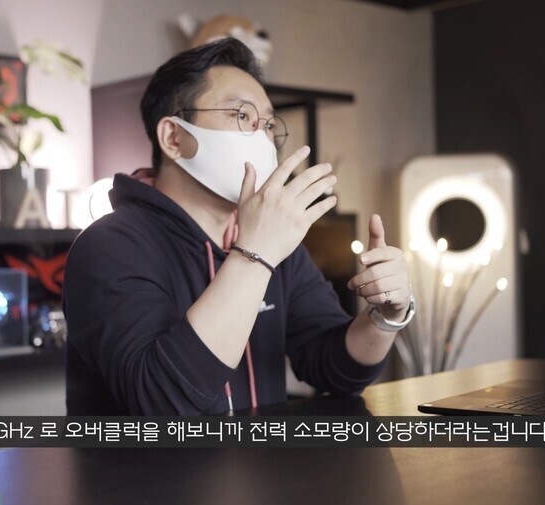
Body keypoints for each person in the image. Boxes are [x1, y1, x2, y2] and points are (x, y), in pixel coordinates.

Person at [63, 38, 415, 415]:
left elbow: (334, 368)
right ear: (173, 137)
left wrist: (385, 318)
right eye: (242, 116)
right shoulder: (109, 245)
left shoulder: (275, 242)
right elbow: (163, 402)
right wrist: (254, 255)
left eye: (268, 124)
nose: (263, 137)